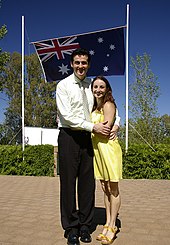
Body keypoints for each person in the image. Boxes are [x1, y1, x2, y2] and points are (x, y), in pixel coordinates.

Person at [56, 48, 120, 245]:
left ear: (88, 64)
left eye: (84, 63)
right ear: (71, 64)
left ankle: (85, 225)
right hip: (69, 136)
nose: (81, 66)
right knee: (68, 184)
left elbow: (107, 104)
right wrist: (93, 126)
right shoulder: (63, 86)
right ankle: (71, 228)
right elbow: (66, 116)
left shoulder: (91, 86)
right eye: (77, 62)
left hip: (88, 139)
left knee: (87, 184)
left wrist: (117, 122)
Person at [91, 76, 122, 245]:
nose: (98, 89)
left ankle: (112, 226)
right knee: (105, 188)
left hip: (109, 150)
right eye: (95, 86)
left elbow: (105, 130)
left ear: (107, 89)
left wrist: (85, 127)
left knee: (114, 188)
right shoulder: (93, 108)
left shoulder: (108, 105)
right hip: (98, 152)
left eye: (101, 86)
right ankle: (107, 222)